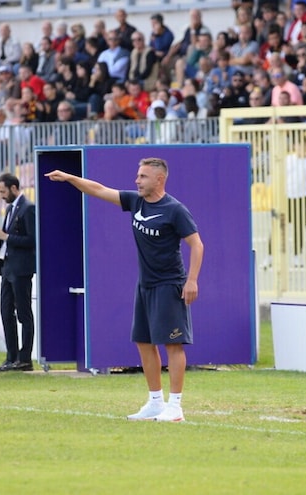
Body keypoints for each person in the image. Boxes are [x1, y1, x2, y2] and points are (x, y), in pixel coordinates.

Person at [45, 157, 203, 422]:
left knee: (173, 344)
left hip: (169, 285)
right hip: (145, 285)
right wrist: (71, 178)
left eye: (143, 176)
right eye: (138, 176)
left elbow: (197, 245)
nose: (136, 181)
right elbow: (98, 189)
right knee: (143, 341)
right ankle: (155, 402)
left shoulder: (175, 210)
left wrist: (192, 280)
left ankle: (175, 407)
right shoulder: (136, 201)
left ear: (159, 179)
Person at [0, 173, 37, 372]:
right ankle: (11, 357)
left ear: (14, 188)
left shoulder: (28, 209)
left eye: (3, 191)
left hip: (21, 269)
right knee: (6, 313)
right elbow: (10, 237)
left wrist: (4, 236)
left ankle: (25, 358)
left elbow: (32, 240)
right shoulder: (10, 209)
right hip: (7, 268)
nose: (1, 195)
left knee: (24, 314)